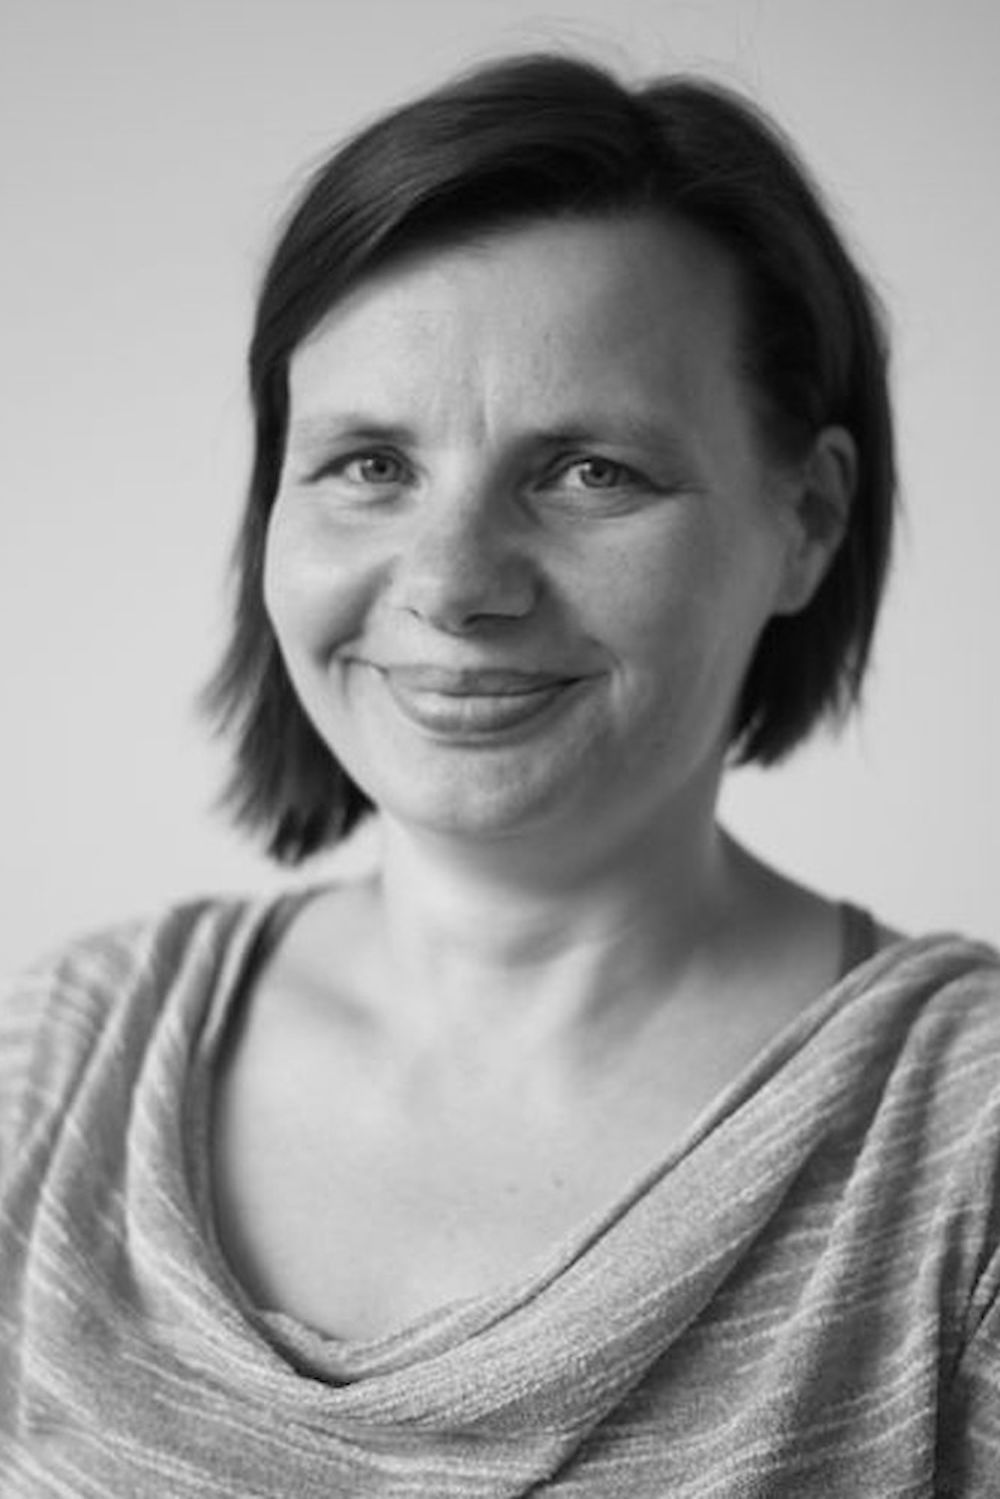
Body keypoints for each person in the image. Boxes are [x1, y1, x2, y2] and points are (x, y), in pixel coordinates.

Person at [1, 50, 998, 1498]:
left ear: (810, 518)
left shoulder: (968, 1155)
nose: (455, 585)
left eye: (589, 471)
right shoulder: (56, 1056)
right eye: (370, 465)